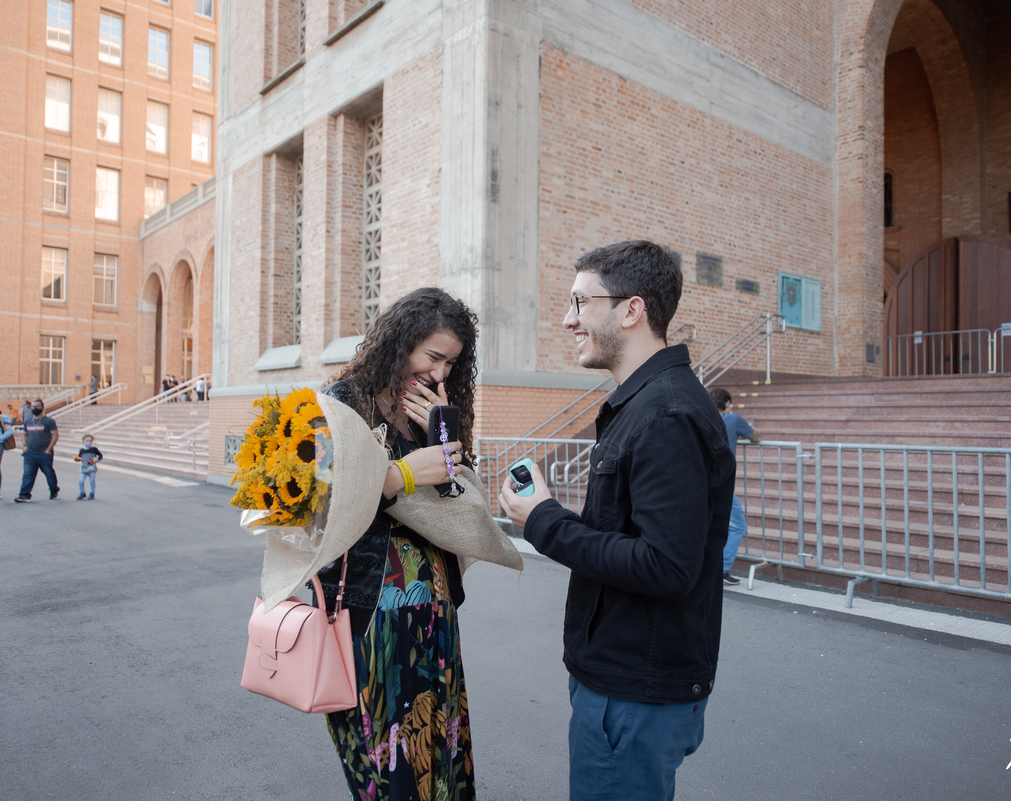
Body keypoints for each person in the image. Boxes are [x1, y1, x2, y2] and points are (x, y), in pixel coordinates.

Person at [499, 240, 737, 801]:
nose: (568, 319)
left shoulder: (666, 413)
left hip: (635, 691)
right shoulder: (647, 403)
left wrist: (544, 521)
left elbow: (666, 565)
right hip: (625, 682)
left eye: (581, 303)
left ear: (631, 310)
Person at [316, 287, 478, 800]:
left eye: (451, 364)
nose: (439, 374)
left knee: (440, 749)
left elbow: (454, 503)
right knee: (386, 759)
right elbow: (319, 506)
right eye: (433, 357)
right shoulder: (345, 401)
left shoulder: (433, 409)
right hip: (370, 610)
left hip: (433, 609)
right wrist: (402, 473)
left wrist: (442, 431)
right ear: (400, 343)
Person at [708, 387, 760, 586]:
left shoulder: (706, 418)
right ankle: (721, 570)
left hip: (706, 481)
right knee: (738, 526)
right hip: (723, 483)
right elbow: (755, 437)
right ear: (727, 403)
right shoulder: (734, 419)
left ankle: (712, 568)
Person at [15, 398, 60, 502]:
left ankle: (54, 489)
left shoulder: (49, 421)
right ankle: (24, 494)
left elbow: (55, 435)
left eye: (37, 407)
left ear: (43, 408)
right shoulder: (28, 421)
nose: (35, 408)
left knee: (48, 473)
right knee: (27, 474)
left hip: (44, 452)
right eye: (33, 407)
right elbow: (24, 434)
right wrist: (24, 446)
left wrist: (49, 449)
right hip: (30, 453)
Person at [74, 434, 103, 500]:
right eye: (86, 441)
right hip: (83, 468)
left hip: (92, 468)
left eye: (90, 441)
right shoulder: (82, 450)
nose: (88, 442)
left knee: (92, 480)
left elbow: (100, 455)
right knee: (81, 480)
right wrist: (76, 459)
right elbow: (80, 458)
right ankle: (82, 492)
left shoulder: (94, 449)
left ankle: (92, 493)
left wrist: (96, 459)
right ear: (83, 441)